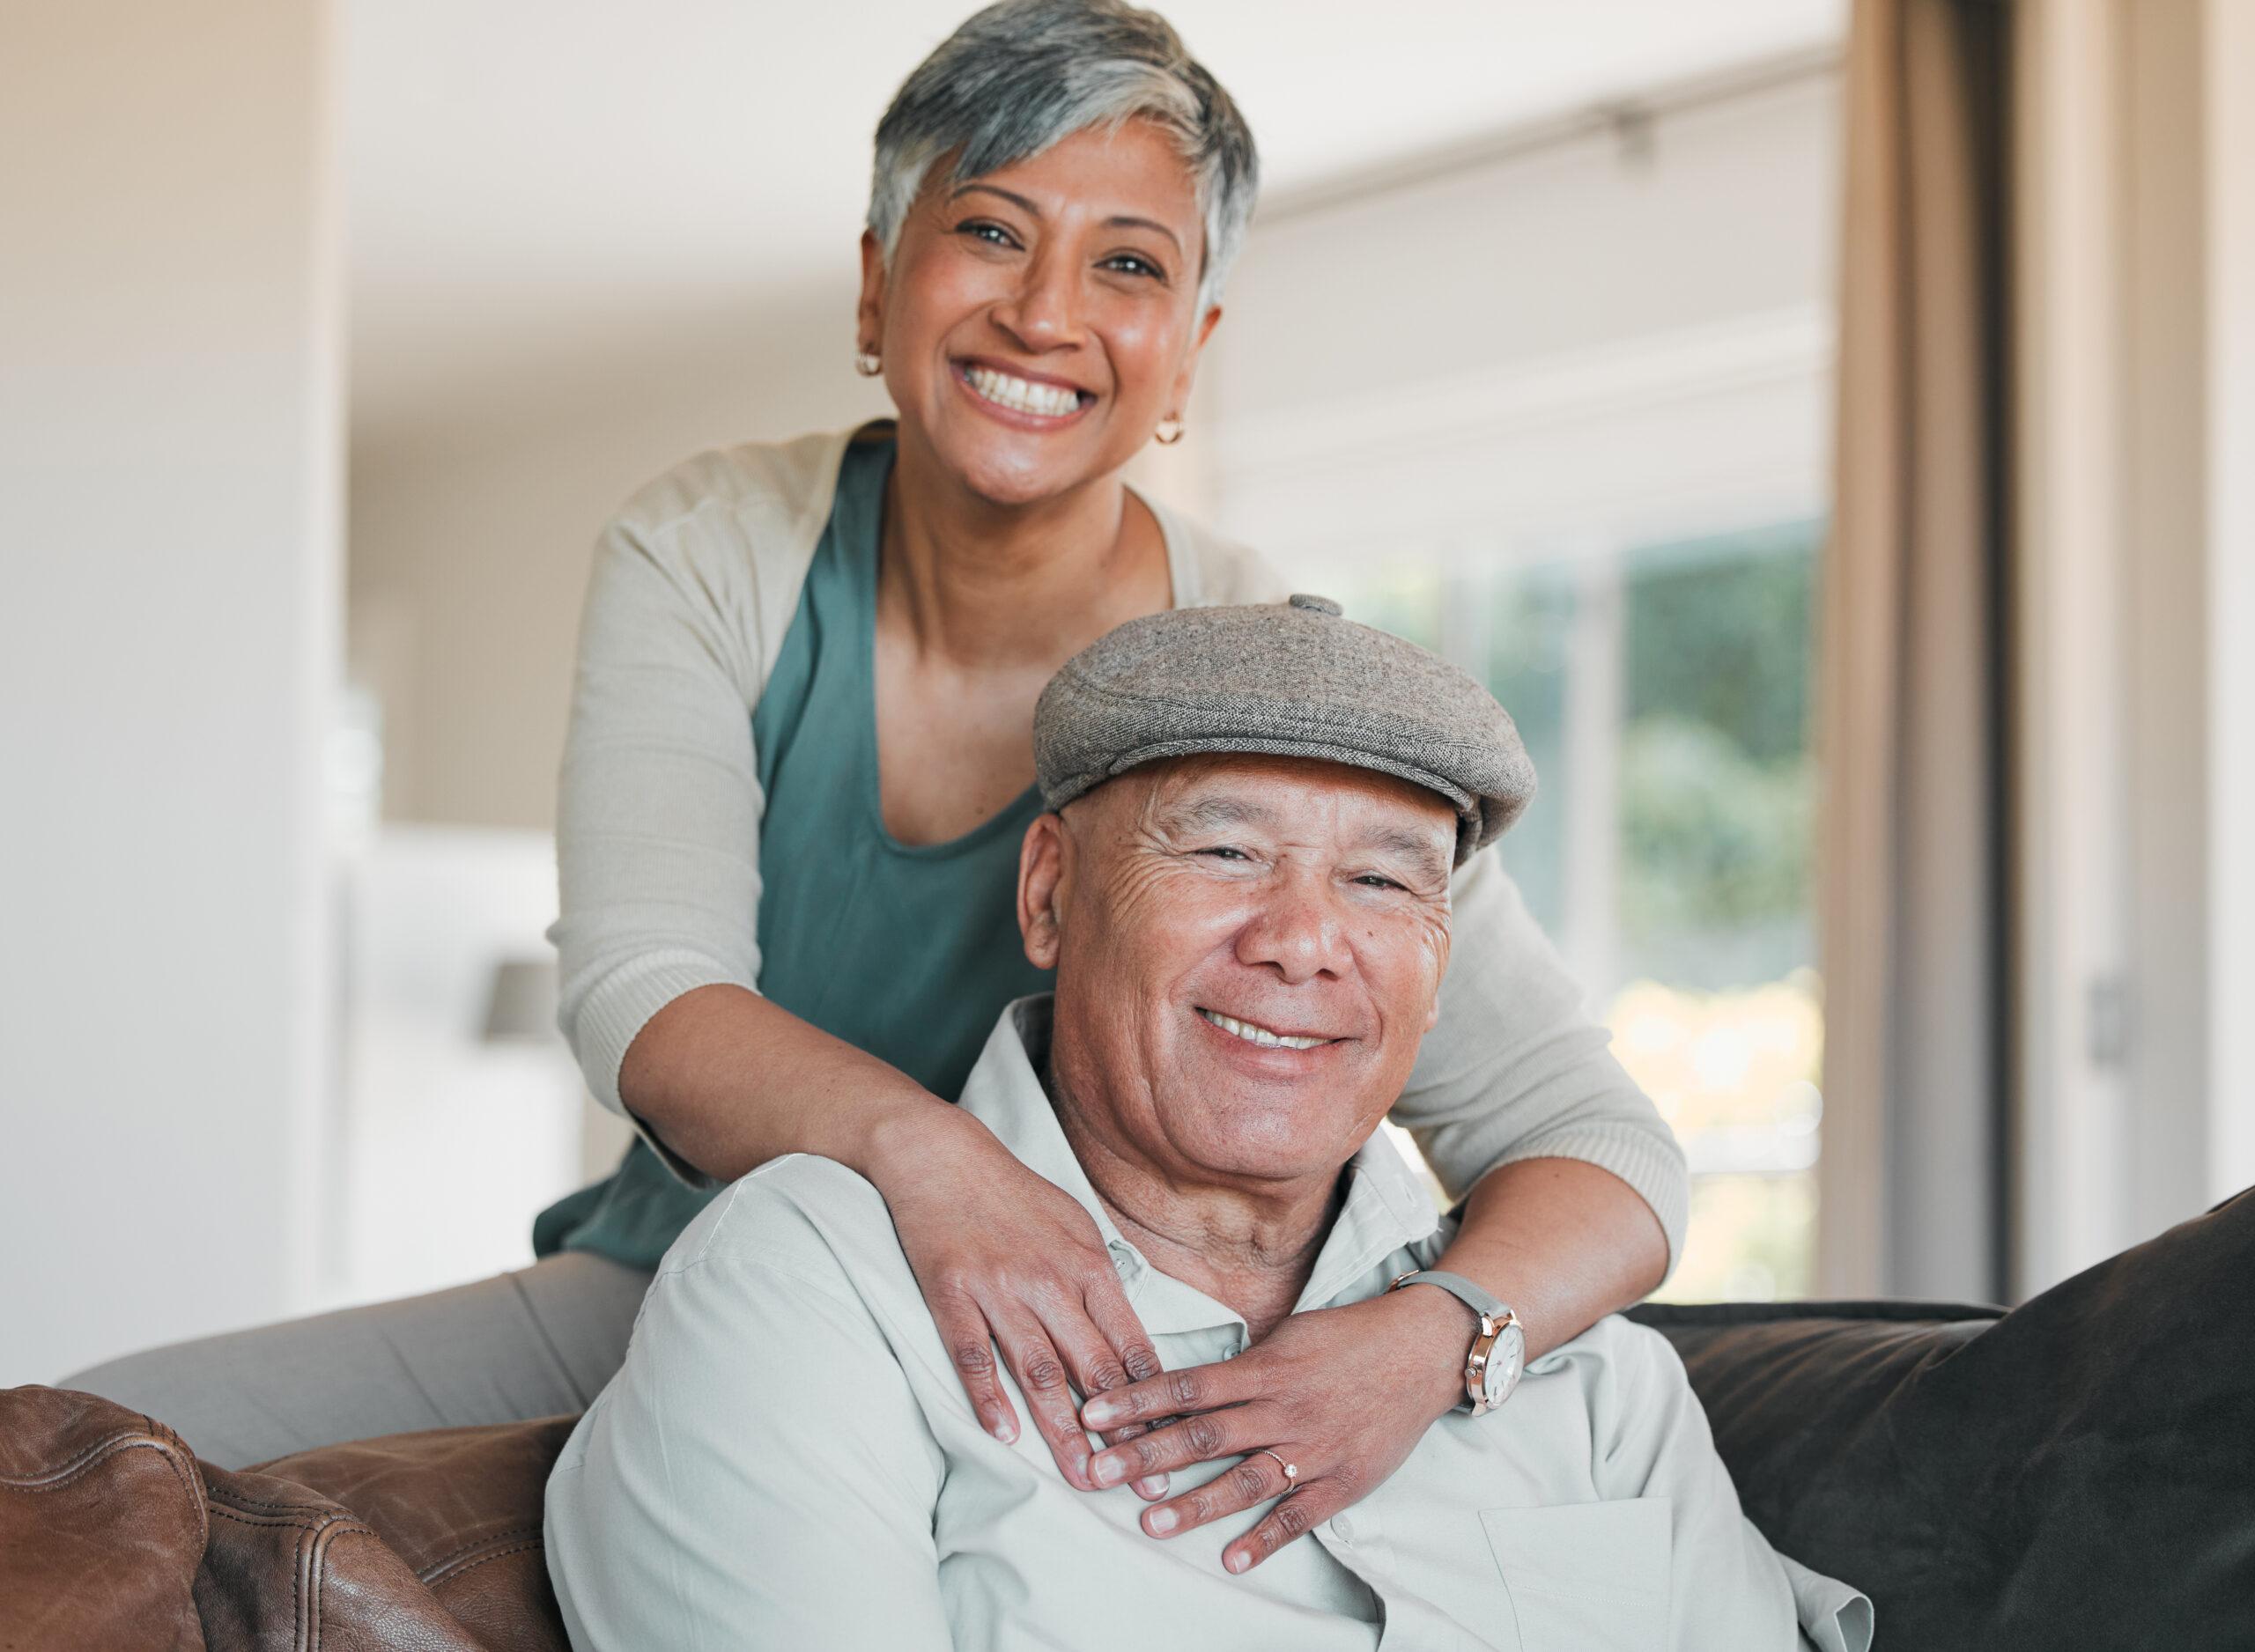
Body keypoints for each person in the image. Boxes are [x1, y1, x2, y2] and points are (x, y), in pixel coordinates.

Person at [66, 0, 1686, 1560]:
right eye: (990, 231)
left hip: (1090, 1344)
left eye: (1127, 265)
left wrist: (1434, 1344)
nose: (1046, 313)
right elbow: (644, 988)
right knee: (76, 1448)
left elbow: (1599, 1150)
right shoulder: (712, 552)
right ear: (875, 284)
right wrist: (937, 1166)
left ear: (1187, 350)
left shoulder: (1266, 670)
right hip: (680, 1278)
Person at [544, 598, 1872, 1652]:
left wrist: (1446, 1337)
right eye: (1225, 852)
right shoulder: (816, 1300)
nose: (1304, 941)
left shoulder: (1594, 1387)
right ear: (1052, 895)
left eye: (1379, 881)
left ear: (1443, 957)